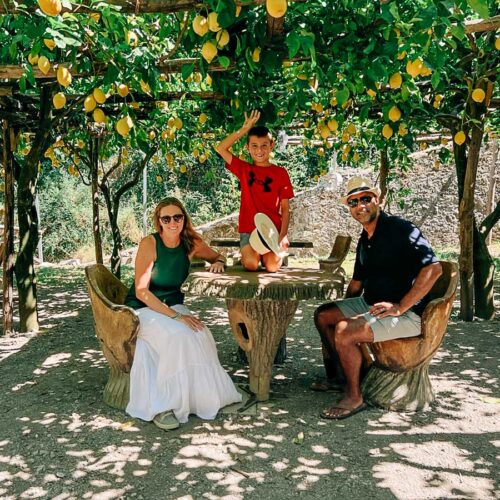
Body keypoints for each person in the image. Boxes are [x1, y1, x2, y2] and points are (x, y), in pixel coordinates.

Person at [314, 176, 442, 419]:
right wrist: (343, 306)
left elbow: (434, 269)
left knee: (345, 330)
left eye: (365, 199)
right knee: (324, 315)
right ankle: (340, 377)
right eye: (353, 202)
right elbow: (357, 284)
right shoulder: (365, 239)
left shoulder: (401, 229)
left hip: (407, 314)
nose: (360, 206)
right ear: (349, 208)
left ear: (377, 199)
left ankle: (354, 396)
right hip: (372, 304)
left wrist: (401, 306)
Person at [124, 197, 242, 430]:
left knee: (200, 333)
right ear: (159, 222)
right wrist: (176, 317)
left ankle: (197, 400)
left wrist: (217, 262)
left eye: (177, 217)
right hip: (144, 308)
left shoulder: (191, 242)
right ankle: (164, 404)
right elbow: (141, 291)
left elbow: (218, 255)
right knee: (177, 336)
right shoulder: (149, 243)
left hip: (173, 304)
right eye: (166, 218)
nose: (172, 222)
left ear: (184, 219)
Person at [216, 110, 294, 272]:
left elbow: (286, 209)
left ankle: (270, 257)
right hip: (248, 229)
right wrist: (244, 129)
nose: (259, 150)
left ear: (271, 145)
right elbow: (221, 148)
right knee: (251, 264)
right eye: (254, 146)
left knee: (272, 267)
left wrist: (283, 235)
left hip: (273, 230)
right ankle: (252, 256)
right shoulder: (244, 169)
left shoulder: (280, 173)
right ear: (247, 148)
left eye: (264, 145)